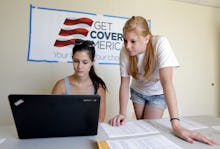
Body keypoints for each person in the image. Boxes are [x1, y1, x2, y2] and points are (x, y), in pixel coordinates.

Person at [108, 16, 217, 145]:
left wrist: (176, 125)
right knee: (142, 129)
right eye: (125, 40)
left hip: (157, 94)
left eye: (133, 41)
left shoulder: (160, 43)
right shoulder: (125, 52)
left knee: (150, 128)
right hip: (137, 92)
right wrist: (122, 113)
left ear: (147, 38)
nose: (127, 46)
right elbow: (124, 84)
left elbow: (167, 83)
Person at [52, 39, 107, 122]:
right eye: (76, 61)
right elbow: (52, 115)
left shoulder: (99, 88)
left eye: (85, 62)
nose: (79, 66)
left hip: (88, 133)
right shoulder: (61, 85)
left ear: (92, 62)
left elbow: (100, 119)